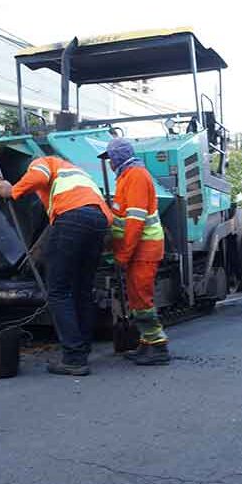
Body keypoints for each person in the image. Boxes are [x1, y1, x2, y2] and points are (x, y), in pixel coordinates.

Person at [0, 155, 112, 376]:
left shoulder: (44, 162)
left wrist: (11, 190)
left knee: (58, 290)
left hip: (72, 216)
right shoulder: (77, 171)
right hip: (99, 220)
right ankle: (82, 351)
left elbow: (38, 176)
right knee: (81, 290)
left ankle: (74, 358)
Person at [100, 138, 170, 366]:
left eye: (110, 158)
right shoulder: (127, 176)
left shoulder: (136, 176)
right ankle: (146, 343)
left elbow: (135, 222)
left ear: (118, 158)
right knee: (137, 298)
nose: (109, 164)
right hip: (138, 250)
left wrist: (122, 255)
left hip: (144, 249)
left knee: (142, 298)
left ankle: (158, 347)